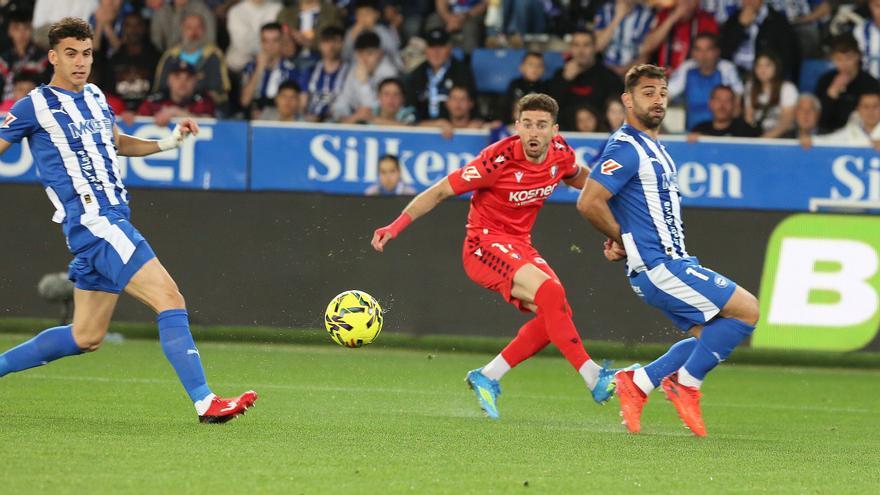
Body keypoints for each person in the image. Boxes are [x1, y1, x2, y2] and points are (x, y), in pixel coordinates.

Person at [0, 17, 256, 422]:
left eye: (86, 53)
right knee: (170, 298)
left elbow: (117, 142)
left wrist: (169, 142)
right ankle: (206, 402)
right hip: (97, 222)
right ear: (53, 57)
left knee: (85, 335)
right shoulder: (34, 104)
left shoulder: (96, 96)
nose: (80, 62)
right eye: (71, 54)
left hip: (106, 221)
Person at [371, 93, 618, 420]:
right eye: (527, 124)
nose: (533, 132)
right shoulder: (496, 160)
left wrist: (612, 195)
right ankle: (593, 377)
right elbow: (441, 190)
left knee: (557, 313)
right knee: (551, 294)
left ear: (554, 130)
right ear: (517, 126)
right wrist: (396, 225)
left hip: (519, 245)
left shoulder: (561, 155)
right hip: (482, 246)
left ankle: (488, 375)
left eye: (541, 125)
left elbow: (580, 177)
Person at [577, 64, 760, 437]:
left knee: (709, 337)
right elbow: (589, 201)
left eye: (662, 92)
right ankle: (685, 384)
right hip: (660, 265)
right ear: (628, 100)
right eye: (648, 93)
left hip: (666, 263)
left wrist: (622, 238)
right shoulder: (627, 147)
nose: (657, 99)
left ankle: (639, 382)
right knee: (747, 310)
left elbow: (626, 204)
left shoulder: (654, 148)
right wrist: (626, 241)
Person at [548, 29, 624, 131]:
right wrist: (564, 80)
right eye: (576, 45)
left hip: (601, 135)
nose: (581, 51)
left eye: (586, 45)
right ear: (571, 48)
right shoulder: (560, 76)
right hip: (566, 134)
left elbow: (617, 112)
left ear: (594, 48)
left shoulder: (609, 77)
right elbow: (549, 109)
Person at [668, 32, 743, 130]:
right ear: (693, 53)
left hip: (720, 132)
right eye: (698, 50)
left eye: (708, 49)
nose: (703, 55)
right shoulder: (686, 68)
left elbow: (737, 105)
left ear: (717, 52)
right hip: (692, 133)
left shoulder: (726, 68)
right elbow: (666, 96)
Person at [154, 13, 231, 107]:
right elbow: (161, 87)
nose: (194, 32)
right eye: (189, 28)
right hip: (171, 107)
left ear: (205, 30)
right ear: (182, 30)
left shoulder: (214, 55)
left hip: (204, 107)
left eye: (198, 27)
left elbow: (221, 90)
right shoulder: (170, 56)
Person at [405, 28, 477, 123]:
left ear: (449, 48)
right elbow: (410, 109)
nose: (436, 52)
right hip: (423, 127)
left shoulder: (462, 71)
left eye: (441, 47)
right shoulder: (417, 73)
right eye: (432, 47)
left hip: (452, 127)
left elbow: (469, 107)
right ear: (426, 50)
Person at [720, 0, 800, 80]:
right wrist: (740, 26)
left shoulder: (778, 21)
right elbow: (724, 52)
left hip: (766, 76)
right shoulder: (733, 20)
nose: (749, 1)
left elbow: (789, 58)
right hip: (735, 75)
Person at [816, 35, 880, 133]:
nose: (844, 64)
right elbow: (819, 119)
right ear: (833, 59)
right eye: (839, 59)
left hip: (861, 134)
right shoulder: (825, 81)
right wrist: (832, 92)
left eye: (848, 58)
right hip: (829, 134)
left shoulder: (870, 83)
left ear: (858, 56)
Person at [331, 31, 398, 123]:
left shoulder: (389, 73)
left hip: (381, 123)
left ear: (380, 53)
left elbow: (375, 110)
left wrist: (364, 84)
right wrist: (344, 117)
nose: (364, 59)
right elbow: (343, 101)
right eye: (360, 54)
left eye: (369, 53)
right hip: (355, 119)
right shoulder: (355, 69)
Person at [639, 0, 718, 71]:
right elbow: (646, 47)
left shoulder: (706, 20)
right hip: (663, 75)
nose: (686, 3)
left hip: (692, 76)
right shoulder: (664, 15)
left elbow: (711, 56)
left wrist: (679, 74)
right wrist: (673, 17)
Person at [240, 22, 301, 113]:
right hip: (251, 116)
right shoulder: (250, 67)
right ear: (260, 43)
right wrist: (259, 68)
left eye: (275, 41)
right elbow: (245, 101)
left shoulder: (291, 70)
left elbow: (295, 106)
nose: (270, 46)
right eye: (265, 41)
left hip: (277, 117)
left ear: (281, 42)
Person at [138, 59, 217, 126]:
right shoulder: (154, 101)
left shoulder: (203, 101)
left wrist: (176, 112)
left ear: (195, 81)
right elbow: (138, 119)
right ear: (169, 80)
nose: (183, 82)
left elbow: (211, 124)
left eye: (188, 78)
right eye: (177, 77)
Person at [594, 0, 656, 75]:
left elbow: (647, 51)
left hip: (635, 72)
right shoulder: (606, 10)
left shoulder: (647, 13)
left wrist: (624, 70)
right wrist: (617, 17)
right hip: (605, 70)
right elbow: (597, 46)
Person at [744, 52, 798, 138]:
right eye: (759, 65)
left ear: (776, 67)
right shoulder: (750, 86)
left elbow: (786, 121)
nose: (762, 70)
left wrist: (765, 139)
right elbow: (748, 117)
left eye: (767, 65)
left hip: (782, 136)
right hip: (757, 134)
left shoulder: (787, 88)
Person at [0, 11, 51, 102]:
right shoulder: (3, 60)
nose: (22, 33)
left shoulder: (43, 57)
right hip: (5, 106)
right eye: (16, 28)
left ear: (31, 29)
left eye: (26, 28)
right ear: (9, 31)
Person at [302, 26, 350, 122]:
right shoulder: (310, 71)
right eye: (327, 41)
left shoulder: (349, 71)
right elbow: (302, 102)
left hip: (338, 122)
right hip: (310, 121)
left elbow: (350, 101)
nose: (331, 46)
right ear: (320, 45)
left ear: (342, 44)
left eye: (335, 41)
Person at [811, 92, 880, 149]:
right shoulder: (852, 130)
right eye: (866, 107)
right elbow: (828, 140)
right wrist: (811, 140)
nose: (871, 111)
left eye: (875, 106)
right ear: (858, 110)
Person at [689, 84, 762, 139]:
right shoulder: (699, 129)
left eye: (727, 101)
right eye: (718, 100)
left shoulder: (745, 130)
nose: (722, 105)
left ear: (734, 105)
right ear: (711, 103)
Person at [418, 85, 483, 137]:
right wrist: (438, 124)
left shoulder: (480, 127)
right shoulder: (441, 124)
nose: (458, 103)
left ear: (471, 104)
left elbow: (489, 125)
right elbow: (415, 127)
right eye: (454, 99)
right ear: (447, 103)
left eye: (463, 99)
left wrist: (482, 127)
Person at [504, 52, 548, 124]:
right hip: (513, 125)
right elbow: (506, 107)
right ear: (521, 67)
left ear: (543, 69)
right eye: (531, 64)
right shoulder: (515, 84)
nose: (535, 68)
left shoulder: (546, 87)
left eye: (539, 65)